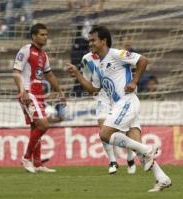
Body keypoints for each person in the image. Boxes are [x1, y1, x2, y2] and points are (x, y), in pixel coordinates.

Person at [66, 26, 171, 192]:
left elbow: (143, 60)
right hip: (120, 105)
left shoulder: (117, 54)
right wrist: (78, 75)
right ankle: (162, 178)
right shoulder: (99, 65)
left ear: (103, 41)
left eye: (93, 40)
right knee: (136, 146)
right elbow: (94, 90)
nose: (90, 43)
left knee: (105, 134)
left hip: (127, 101)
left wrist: (135, 81)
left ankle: (148, 149)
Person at [13, 23, 66, 173]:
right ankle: (26, 158)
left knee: (36, 127)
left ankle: (37, 164)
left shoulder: (44, 55)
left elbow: (49, 74)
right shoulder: (26, 50)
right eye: (42, 34)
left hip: (39, 94)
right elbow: (16, 72)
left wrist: (60, 91)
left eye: (46, 34)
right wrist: (22, 90)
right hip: (28, 93)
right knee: (43, 125)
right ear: (34, 36)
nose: (45, 37)